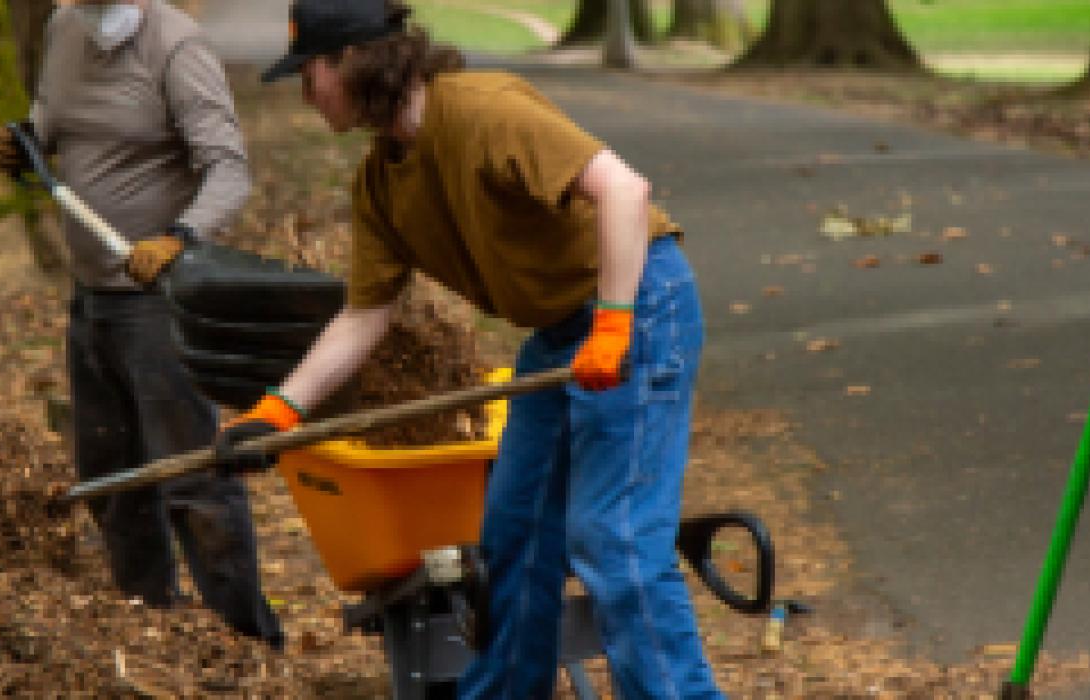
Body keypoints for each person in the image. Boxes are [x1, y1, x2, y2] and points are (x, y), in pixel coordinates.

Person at [216, 0, 722, 696]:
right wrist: (279, 412)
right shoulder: (380, 182)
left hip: (639, 304)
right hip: (558, 334)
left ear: (353, 60)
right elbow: (365, 315)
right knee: (516, 532)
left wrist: (613, 323)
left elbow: (625, 192)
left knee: (615, 537)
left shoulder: (483, 111)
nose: (305, 93)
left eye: (310, 73)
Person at [0, 0, 284, 647]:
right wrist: (22, 146)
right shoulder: (64, 29)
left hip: (158, 305)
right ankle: (152, 628)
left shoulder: (177, 46)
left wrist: (180, 237)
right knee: (111, 478)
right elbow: (50, 126)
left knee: (192, 483)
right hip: (91, 298)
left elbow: (228, 170)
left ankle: (249, 646)